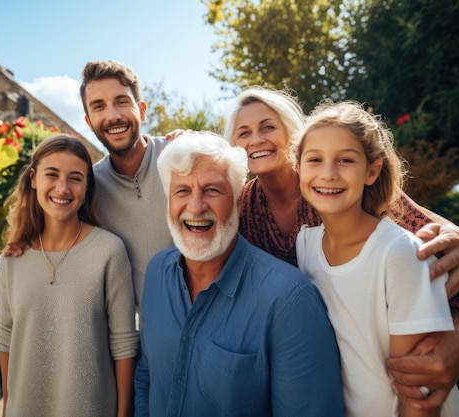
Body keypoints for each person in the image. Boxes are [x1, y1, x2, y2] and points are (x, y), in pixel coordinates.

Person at [223, 86, 459, 409]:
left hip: (392, 385)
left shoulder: (342, 191)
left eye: (268, 127)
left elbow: (451, 275)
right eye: (243, 132)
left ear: (293, 135)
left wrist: (452, 351)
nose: (256, 139)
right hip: (324, 389)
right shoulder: (243, 207)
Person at [134, 131, 345, 416]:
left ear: (236, 200)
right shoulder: (157, 272)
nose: (196, 207)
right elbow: (147, 377)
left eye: (212, 190)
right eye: (182, 191)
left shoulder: (289, 301)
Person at [293, 100, 459, 416]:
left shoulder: (399, 253)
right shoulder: (305, 246)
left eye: (345, 160)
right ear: (298, 169)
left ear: (372, 171)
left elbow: (418, 394)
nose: (328, 173)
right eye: (314, 159)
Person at [0, 135, 139, 417]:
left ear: (86, 187)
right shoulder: (12, 260)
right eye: (52, 174)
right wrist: (6, 406)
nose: (62, 188)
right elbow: (6, 338)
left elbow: (124, 343)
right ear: (34, 179)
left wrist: (124, 414)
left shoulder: (108, 251)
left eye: (75, 178)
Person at [80, 60, 174, 311]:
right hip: (149, 343)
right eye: (99, 107)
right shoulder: (90, 190)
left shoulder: (181, 157)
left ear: (142, 110)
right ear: (89, 123)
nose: (113, 116)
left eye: (122, 101)